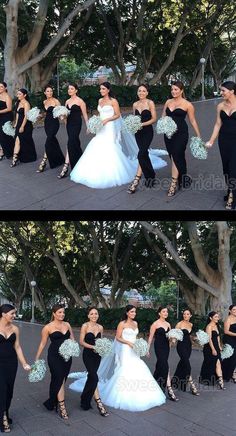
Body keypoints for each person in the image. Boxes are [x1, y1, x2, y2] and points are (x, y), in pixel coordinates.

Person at [70, 82, 167, 188]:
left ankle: (139, 177)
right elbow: (101, 114)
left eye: (103, 89)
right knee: (97, 145)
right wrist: (95, 122)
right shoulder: (101, 100)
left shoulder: (114, 101)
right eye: (100, 89)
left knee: (128, 150)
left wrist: (108, 119)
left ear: (108, 90)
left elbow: (117, 115)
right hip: (102, 127)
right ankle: (99, 170)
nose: (101, 90)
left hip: (114, 127)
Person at [70, 305, 166, 411]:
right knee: (115, 372)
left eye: (135, 312)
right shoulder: (121, 324)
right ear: (127, 313)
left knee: (138, 368)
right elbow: (118, 337)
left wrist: (139, 344)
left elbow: (102, 340)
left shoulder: (134, 323)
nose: (134, 313)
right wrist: (128, 342)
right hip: (121, 350)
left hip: (133, 350)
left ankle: (138, 393)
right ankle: (99, 400)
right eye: (132, 312)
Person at [35, 304, 74, 420]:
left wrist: (71, 347)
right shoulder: (47, 327)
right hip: (54, 356)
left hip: (67, 356)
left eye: (63, 312)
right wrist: (37, 357)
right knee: (60, 379)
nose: (62, 314)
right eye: (59, 312)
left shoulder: (67, 324)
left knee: (61, 379)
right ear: (54, 313)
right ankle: (62, 407)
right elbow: (43, 343)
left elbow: (72, 338)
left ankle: (52, 401)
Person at [162, 81, 201, 196]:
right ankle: (183, 177)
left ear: (181, 90)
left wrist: (198, 135)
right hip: (168, 134)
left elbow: (192, 120)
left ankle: (173, 184)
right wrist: (164, 125)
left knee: (175, 155)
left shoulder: (187, 104)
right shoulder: (168, 101)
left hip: (181, 133)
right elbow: (163, 116)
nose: (173, 91)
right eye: (172, 89)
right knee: (174, 156)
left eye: (176, 89)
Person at [0, 304, 30, 433]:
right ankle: (3, 418)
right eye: (12, 313)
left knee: (9, 390)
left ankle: (5, 411)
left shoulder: (15, 329)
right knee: (2, 390)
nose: (14, 316)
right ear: (3, 314)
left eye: (14, 313)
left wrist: (24, 363)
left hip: (11, 363)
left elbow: (17, 347)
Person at [206, 81, 236, 210]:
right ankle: (230, 189)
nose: (221, 93)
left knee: (234, 167)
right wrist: (211, 140)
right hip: (224, 140)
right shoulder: (220, 106)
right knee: (226, 168)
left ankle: (232, 196)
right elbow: (218, 124)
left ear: (232, 91)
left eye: (223, 90)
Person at [127, 84, 161, 193]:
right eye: (139, 91)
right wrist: (133, 125)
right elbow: (134, 118)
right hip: (138, 133)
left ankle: (136, 180)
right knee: (144, 153)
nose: (141, 93)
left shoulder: (150, 103)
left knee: (141, 153)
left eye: (143, 91)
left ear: (147, 93)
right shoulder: (135, 104)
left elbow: (154, 118)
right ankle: (151, 176)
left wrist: (142, 124)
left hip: (147, 132)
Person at [78, 307, 108, 416]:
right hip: (88, 355)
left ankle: (84, 400)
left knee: (91, 377)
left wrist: (103, 348)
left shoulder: (100, 327)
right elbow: (81, 342)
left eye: (96, 313)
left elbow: (101, 341)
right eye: (92, 314)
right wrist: (92, 347)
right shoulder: (85, 326)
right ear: (88, 316)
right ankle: (99, 403)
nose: (94, 315)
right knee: (94, 377)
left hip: (97, 356)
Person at [148, 306, 179, 401]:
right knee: (165, 366)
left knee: (160, 366)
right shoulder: (155, 324)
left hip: (166, 347)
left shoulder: (168, 324)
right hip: (158, 347)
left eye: (166, 312)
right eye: (163, 311)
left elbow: (170, 338)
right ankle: (167, 390)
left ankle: (153, 382)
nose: (166, 313)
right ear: (159, 313)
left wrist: (173, 341)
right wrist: (147, 349)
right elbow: (150, 337)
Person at [57, 83, 88, 178]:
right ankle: (80, 163)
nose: (69, 90)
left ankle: (67, 167)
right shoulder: (67, 101)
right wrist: (62, 117)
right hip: (69, 124)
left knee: (71, 143)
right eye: (68, 89)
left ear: (76, 90)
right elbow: (66, 115)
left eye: (72, 89)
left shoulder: (80, 101)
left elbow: (85, 115)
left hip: (77, 124)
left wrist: (88, 126)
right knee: (75, 143)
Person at [36, 85, 64, 172]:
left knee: (48, 141)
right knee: (52, 141)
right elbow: (46, 113)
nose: (50, 93)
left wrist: (62, 116)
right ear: (45, 92)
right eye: (48, 91)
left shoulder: (56, 101)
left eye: (51, 91)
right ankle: (60, 159)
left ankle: (43, 162)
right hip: (47, 123)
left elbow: (61, 112)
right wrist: (39, 116)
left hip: (54, 123)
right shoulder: (44, 101)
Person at [172, 308, 199, 395]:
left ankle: (175, 381)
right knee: (187, 365)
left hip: (188, 346)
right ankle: (193, 386)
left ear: (190, 315)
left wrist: (196, 339)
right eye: (184, 314)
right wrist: (173, 340)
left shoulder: (191, 324)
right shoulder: (179, 324)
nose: (185, 315)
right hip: (181, 346)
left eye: (187, 314)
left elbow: (189, 336)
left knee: (183, 363)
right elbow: (174, 335)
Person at [10, 89, 37, 167]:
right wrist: (16, 124)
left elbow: (26, 116)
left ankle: (26, 157)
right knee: (17, 140)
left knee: (25, 141)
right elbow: (18, 114)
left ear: (24, 95)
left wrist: (22, 126)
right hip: (19, 124)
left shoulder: (26, 103)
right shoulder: (18, 103)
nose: (18, 95)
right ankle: (15, 158)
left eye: (19, 94)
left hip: (26, 125)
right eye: (17, 94)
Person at [199, 311, 225, 389]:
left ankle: (221, 382)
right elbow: (209, 339)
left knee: (218, 363)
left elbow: (217, 337)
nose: (218, 318)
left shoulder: (217, 325)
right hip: (209, 347)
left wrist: (219, 346)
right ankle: (221, 382)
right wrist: (213, 349)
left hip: (216, 346)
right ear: (211, 318)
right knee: (213, 363)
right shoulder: (209, 326)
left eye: (218, 316)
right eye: (216, 317)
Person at [222, 304, 236, 382]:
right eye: (234, 309)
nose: (235, 311)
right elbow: (226, 331)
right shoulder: (228, 319)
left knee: (234, 358)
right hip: (229, 339)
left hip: (235, 339)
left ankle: (232, 374)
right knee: (230, 357)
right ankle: (225, 374)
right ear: (230, 311)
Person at [0, 82, 14, 159]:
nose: (0, 88)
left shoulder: (7, 96)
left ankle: (11, 151)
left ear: (5, 88)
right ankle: (3, 151)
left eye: (1, 87)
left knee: (5, 134)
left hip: (6, 116)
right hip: (0, 116)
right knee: (1, 135)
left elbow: (9, 108)